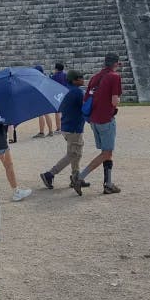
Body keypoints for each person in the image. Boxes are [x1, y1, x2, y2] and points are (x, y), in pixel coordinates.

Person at [75, 52, 123, 194]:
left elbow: (87, 99)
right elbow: (115, 100)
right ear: (115, 64)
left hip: (94, 120)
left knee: (106, 152)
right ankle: (80, 177)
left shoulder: (95, 77)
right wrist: (118, 102)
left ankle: (108, 184)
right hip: (106, 119)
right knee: (106, 152)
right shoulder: (114, 77)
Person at [40, 70, 89, 195]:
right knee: (73, 154)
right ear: (74, 80)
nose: (82, 79)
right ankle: (50, 174)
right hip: (74, 127)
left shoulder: (66, 90)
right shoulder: (77, 92)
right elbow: (85, 107)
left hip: (67, 125)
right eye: (80, 78)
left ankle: (76, 177)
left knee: (76, 153)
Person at [0, 117, 32, 202]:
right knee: (7, 165)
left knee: (8, 165)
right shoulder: (3, 107)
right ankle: (16, 192)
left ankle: (16, 191)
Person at [32, 65, 54, 138]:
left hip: (41, 97)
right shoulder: (45, 78)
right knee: (46, 114)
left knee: (41, 114)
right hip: (46, 96)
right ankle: (50, 131)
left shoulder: (38, 78)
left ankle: (42, 132)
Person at [50, 63, 69, 131]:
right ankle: (66, 125)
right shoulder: (65, 75)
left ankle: (59, 128)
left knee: (57, 112)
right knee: (65, 111)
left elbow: (51, 84)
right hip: (65, 94)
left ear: (57, 69)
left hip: (57, 95)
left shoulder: (54, 76)